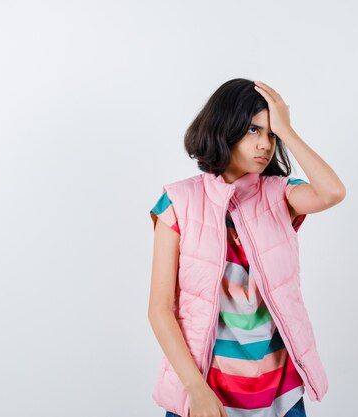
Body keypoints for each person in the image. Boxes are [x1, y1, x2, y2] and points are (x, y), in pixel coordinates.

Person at [148, 78, 346, 417]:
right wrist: (196, 388)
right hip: (206, 396)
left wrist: (287, 129)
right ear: (226, 128)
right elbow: (160, 309)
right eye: (254, 131)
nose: (265, 145)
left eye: (271, 135)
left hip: (279, 398)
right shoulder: (179, 202)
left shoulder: (281, 195)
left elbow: (332, 192)